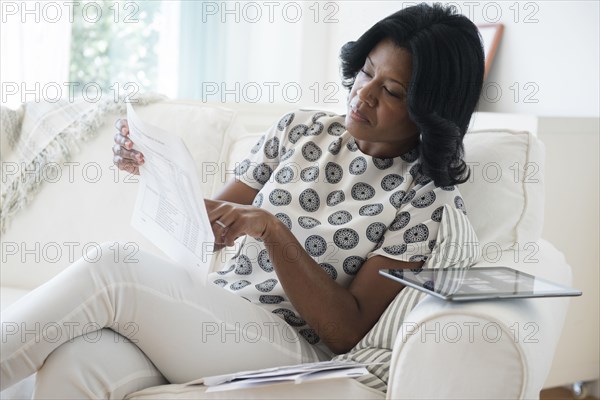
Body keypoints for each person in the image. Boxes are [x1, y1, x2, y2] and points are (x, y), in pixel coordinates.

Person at [0, 3, 484, 398]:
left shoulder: (424, 199)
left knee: (114, 267)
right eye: (365, 71)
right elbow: (206, 230)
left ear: (429, 112)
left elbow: (346, 330)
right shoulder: (301, 129)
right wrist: (154, 167)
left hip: (295, 349)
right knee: (76, 362)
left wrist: (272, 230)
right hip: (215, 313)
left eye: (392, 91)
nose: (364, 94)